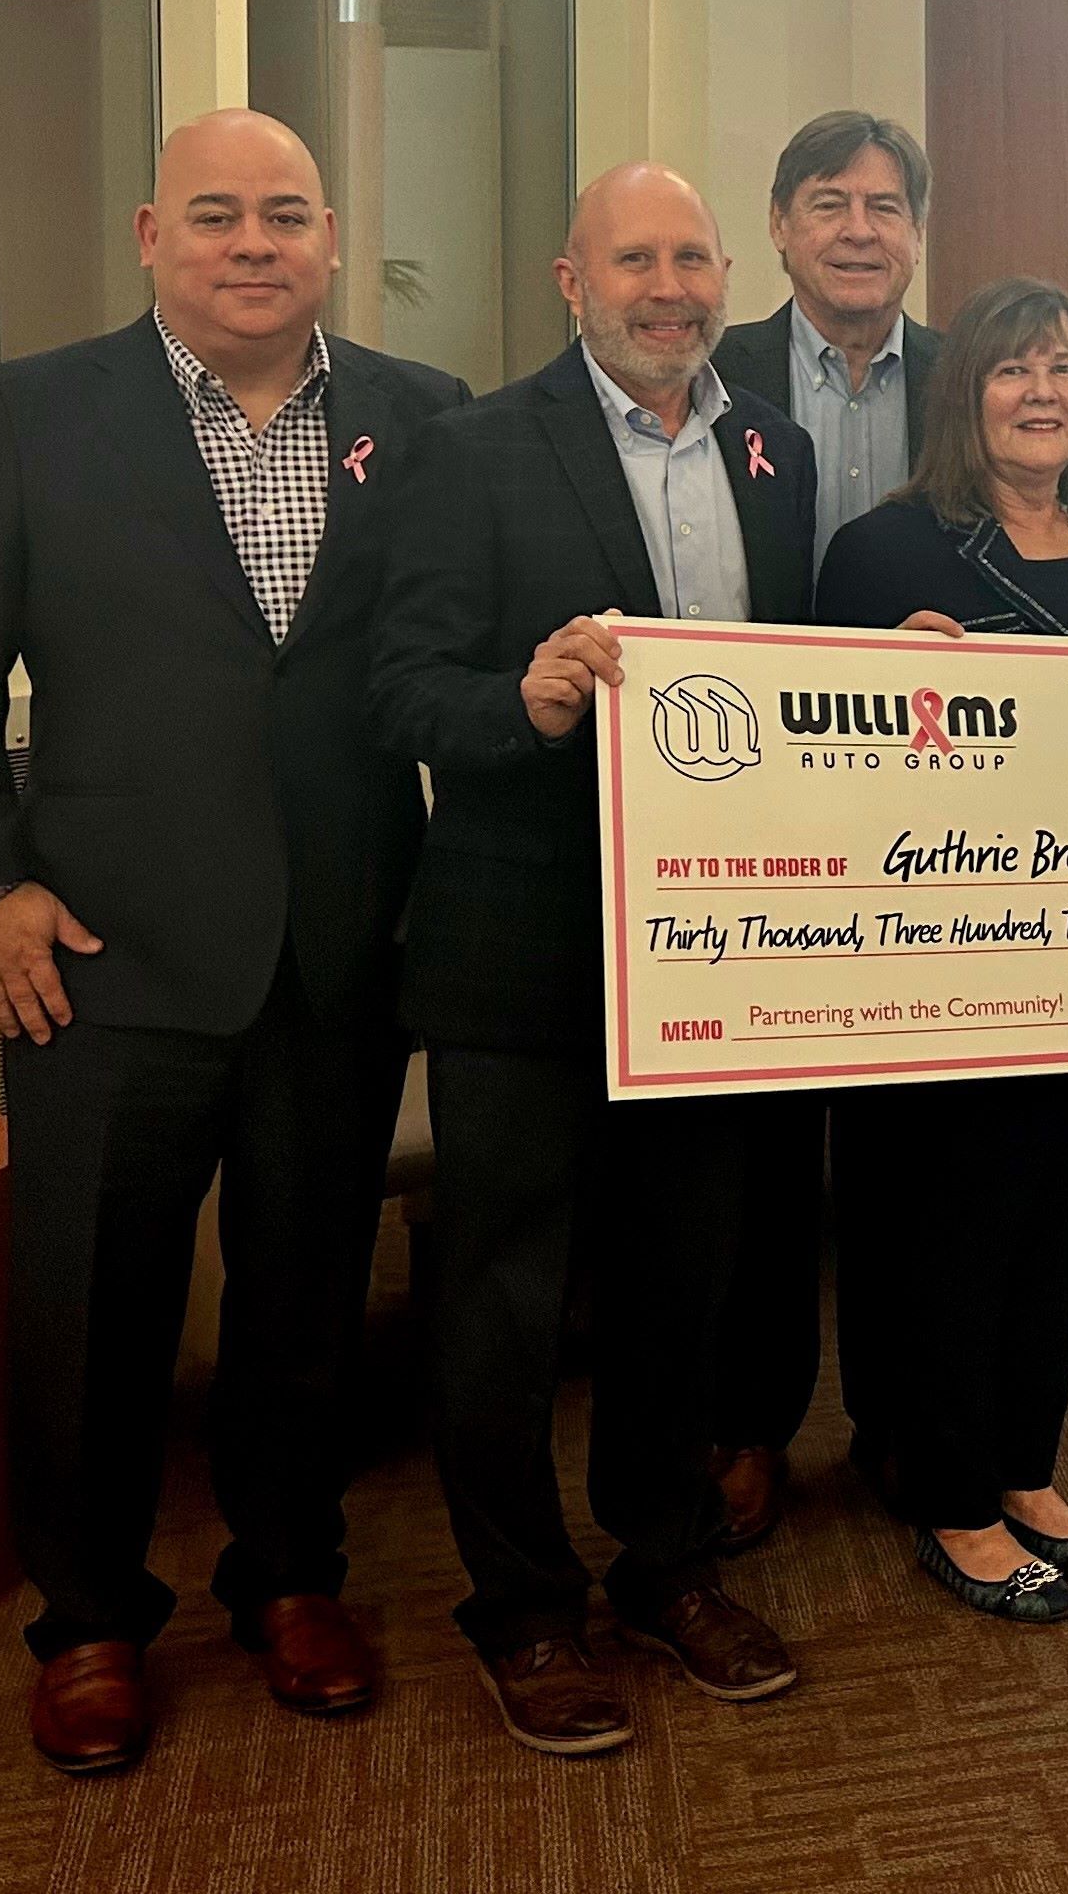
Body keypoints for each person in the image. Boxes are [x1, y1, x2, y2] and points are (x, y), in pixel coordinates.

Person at [0, 112, 467, 1778]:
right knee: (90, 1311)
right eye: (217, 215)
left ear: (332, 238)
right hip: (101, 951)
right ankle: (85, 1619)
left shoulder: (424, 416)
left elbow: (458, 646)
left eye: (286, 214)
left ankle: (289, 1574)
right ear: (154, 235)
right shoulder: (31, 414)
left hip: (339, 951)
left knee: (304, 1297)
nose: (253, 244)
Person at [371, 164, 818, 1754]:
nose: (669, 287)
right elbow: (403, 687)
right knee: (502, 1296)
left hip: (708, 951)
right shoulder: (473, 449)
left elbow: (785, 681)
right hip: (523, 947)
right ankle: (523, 1605)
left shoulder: (775, 452)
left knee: (679, 1281)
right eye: (636, 258)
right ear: (574, 280)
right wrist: (523, 700)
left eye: (692, 257)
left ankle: (666, 1563)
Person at [817, 280, 1068, 1623]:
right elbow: (822, 751)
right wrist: (884, 676)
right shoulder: (884, 550)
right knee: (953, 1226)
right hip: (943, 959)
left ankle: (1026, 1469)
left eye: (1063, 367)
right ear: (966, 394)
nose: (1041, 392)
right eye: (1012, 369)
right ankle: (953, 1499)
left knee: (1057, 1222)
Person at [700, 109, 944, 1551]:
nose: (860, 229)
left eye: (886, 205)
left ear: (917, 232)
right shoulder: (704, 369)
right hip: (760, 815)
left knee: (912, 1144)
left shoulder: (973, 379)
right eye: (830, 202)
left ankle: (903, 1417)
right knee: (764, 1152)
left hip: (929, 818)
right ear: (781, 227)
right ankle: (749, 1423)